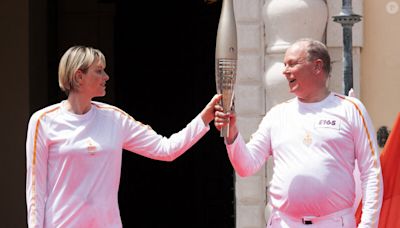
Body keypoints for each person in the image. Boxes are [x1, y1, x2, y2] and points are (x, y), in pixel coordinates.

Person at [25, 45, 222, 228]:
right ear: (79, 77)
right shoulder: (43, 121)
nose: (106, 76)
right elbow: (36, 189)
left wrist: (205, 117)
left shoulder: (114, 119)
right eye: (99, 70)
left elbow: (166, 149)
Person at [214, 38, 383, 227]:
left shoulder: (350, 109)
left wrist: (368, 226)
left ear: (317, 66)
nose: (285, 71)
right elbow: (246, 166)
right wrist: (232, 133)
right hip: (284, 223)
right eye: (284, 65)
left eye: (292, 64)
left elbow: (371, 173)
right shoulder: (277, 114)